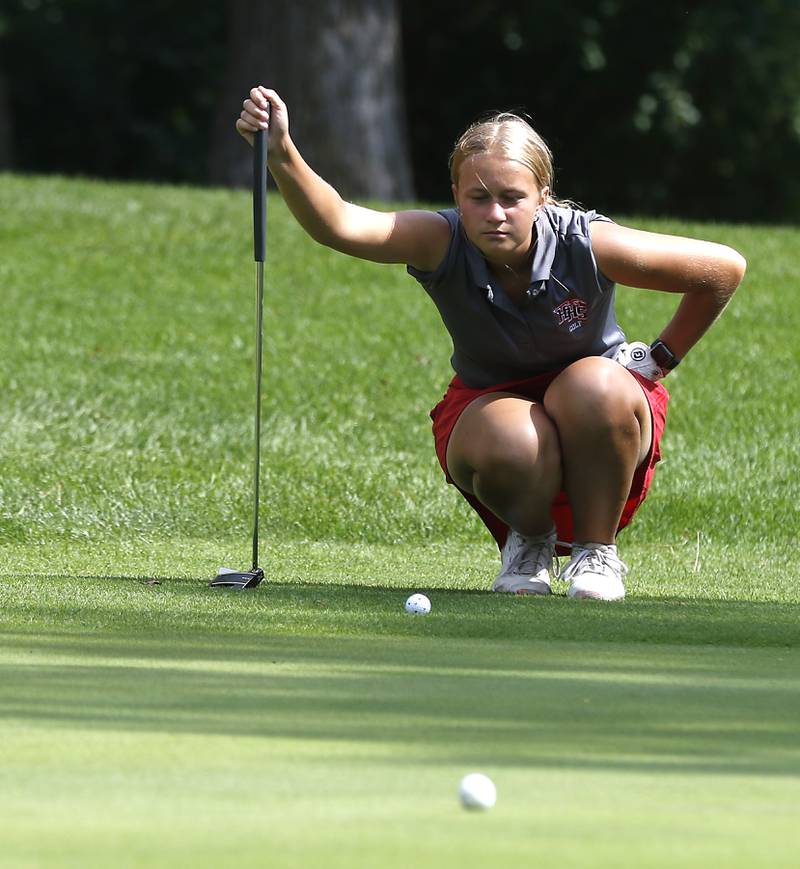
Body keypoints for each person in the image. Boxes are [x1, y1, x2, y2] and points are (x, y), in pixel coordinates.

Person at [236, 86, 746, 601]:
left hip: (599, 409)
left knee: (592, 384)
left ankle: (597, 552)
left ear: (543, 196)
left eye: (512, 198)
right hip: (492, 410)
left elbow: (723, 269)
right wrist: (281, 153)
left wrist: (657, 361)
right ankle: (530, 542)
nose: (495, 213)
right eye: (478, 198)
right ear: (457, 195)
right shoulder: (441, 239)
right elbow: (341, 225)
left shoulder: (587, 242)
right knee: (514, 439)